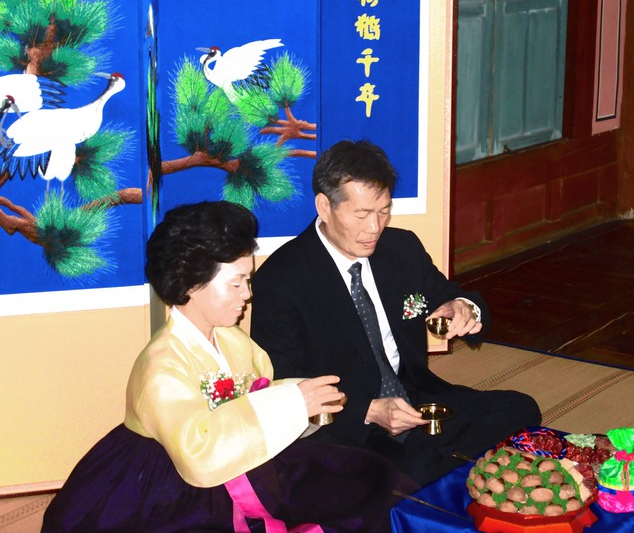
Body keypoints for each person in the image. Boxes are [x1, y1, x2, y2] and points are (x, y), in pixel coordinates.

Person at [42, 201, 416, 533]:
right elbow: (200, 454)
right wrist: (291, 404)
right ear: (190, 285)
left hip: (246, 458)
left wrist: (302, 394)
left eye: (247, 280)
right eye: (236, 283)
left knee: (369, 477)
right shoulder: (161, 367)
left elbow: (260, 387)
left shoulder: (232, 339)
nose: (247, 295)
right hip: (169, 481)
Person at [250, 140, 541, 486]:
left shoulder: (401, 248)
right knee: (402, 470)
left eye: (384, 211)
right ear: (324, 206)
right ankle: (434, 471)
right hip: (349, 421)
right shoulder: (281, 278)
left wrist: (462, 308)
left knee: (520, 408)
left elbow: (450, 295)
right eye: (361, 214)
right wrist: (369, 410)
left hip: (415, 400)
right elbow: (286, 383)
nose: (375, 228)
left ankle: (429, 471)